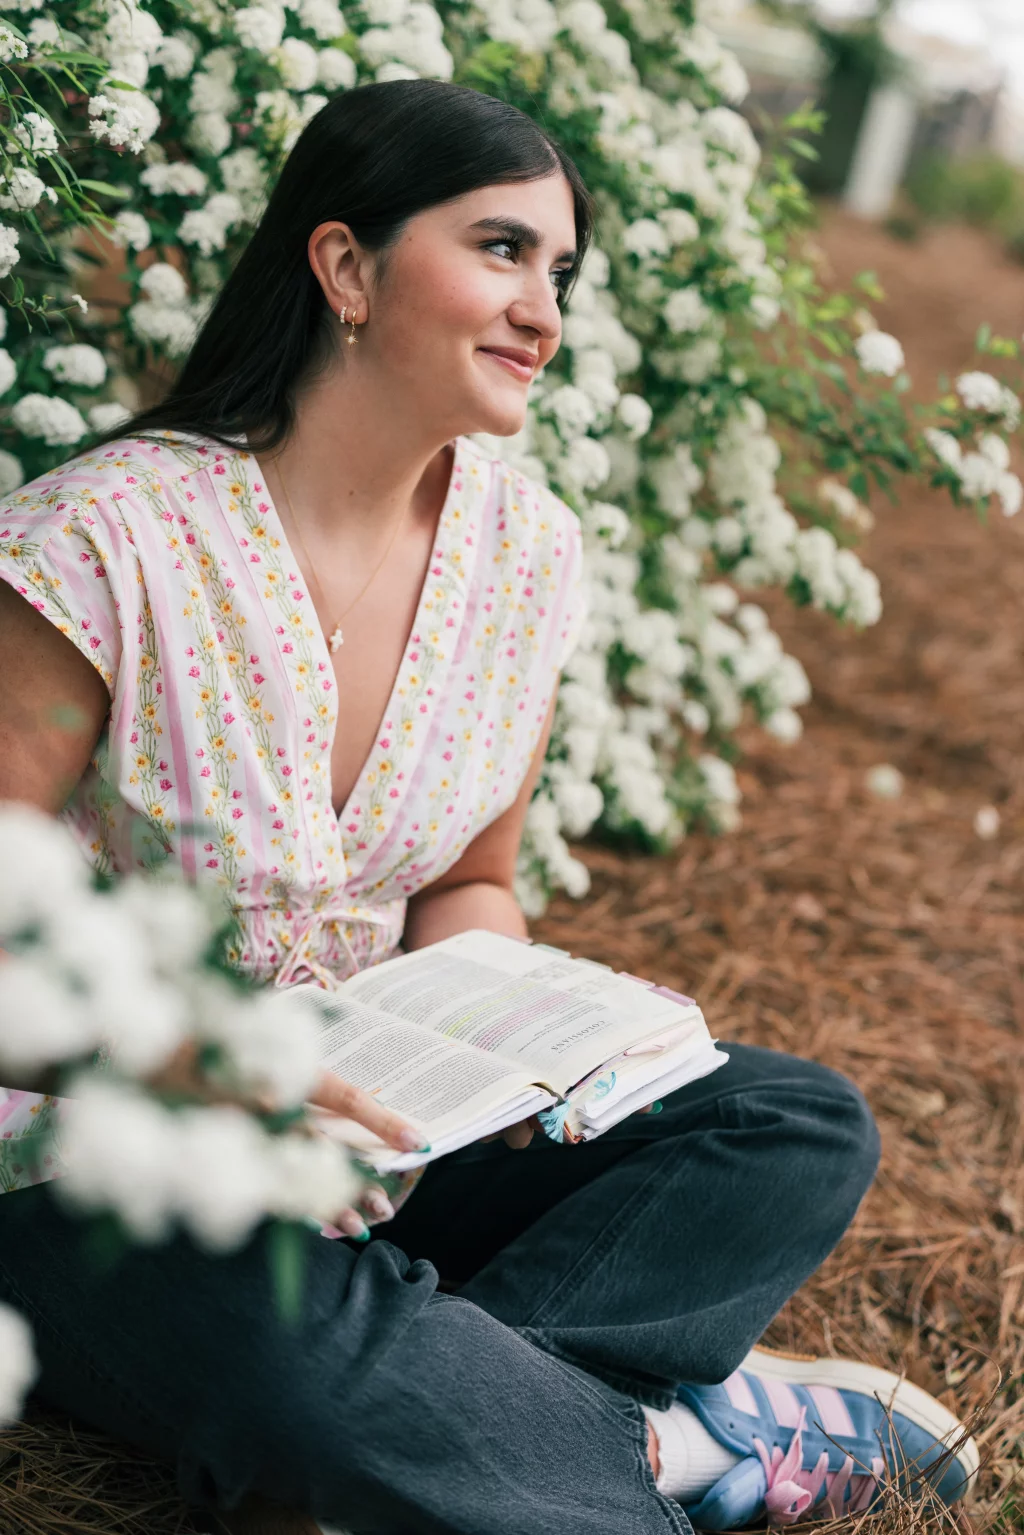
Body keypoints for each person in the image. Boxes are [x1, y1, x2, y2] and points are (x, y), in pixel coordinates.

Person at [0, 80, 977, 1535]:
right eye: (503, 250)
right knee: (301, 1356)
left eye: (559, 272)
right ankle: (667, 1450)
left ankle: (426, 1429)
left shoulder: (524, 552)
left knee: (792, 1122)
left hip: (377, 1134)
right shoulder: (105, 542)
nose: (545, 310)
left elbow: (471, 878)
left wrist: (516, 1045)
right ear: (345, 266)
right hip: (102, 1155)